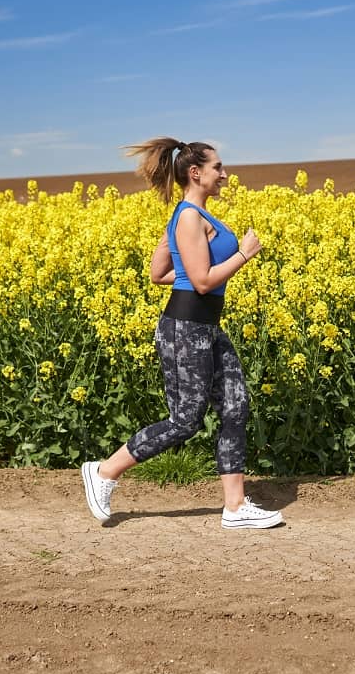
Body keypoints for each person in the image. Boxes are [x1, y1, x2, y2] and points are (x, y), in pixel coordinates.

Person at [80, 137, 283, 530]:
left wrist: (185, 255)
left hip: (206, 327)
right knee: (185, 420)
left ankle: (236, 507)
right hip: (185, 329)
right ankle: (104, 472)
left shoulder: (194, 215)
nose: (224, 174)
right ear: (196, 172)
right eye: (217, 167)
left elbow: (161, 273)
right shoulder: (189, 216)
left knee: (235, 405)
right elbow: (204, 282)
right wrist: (244, 254)